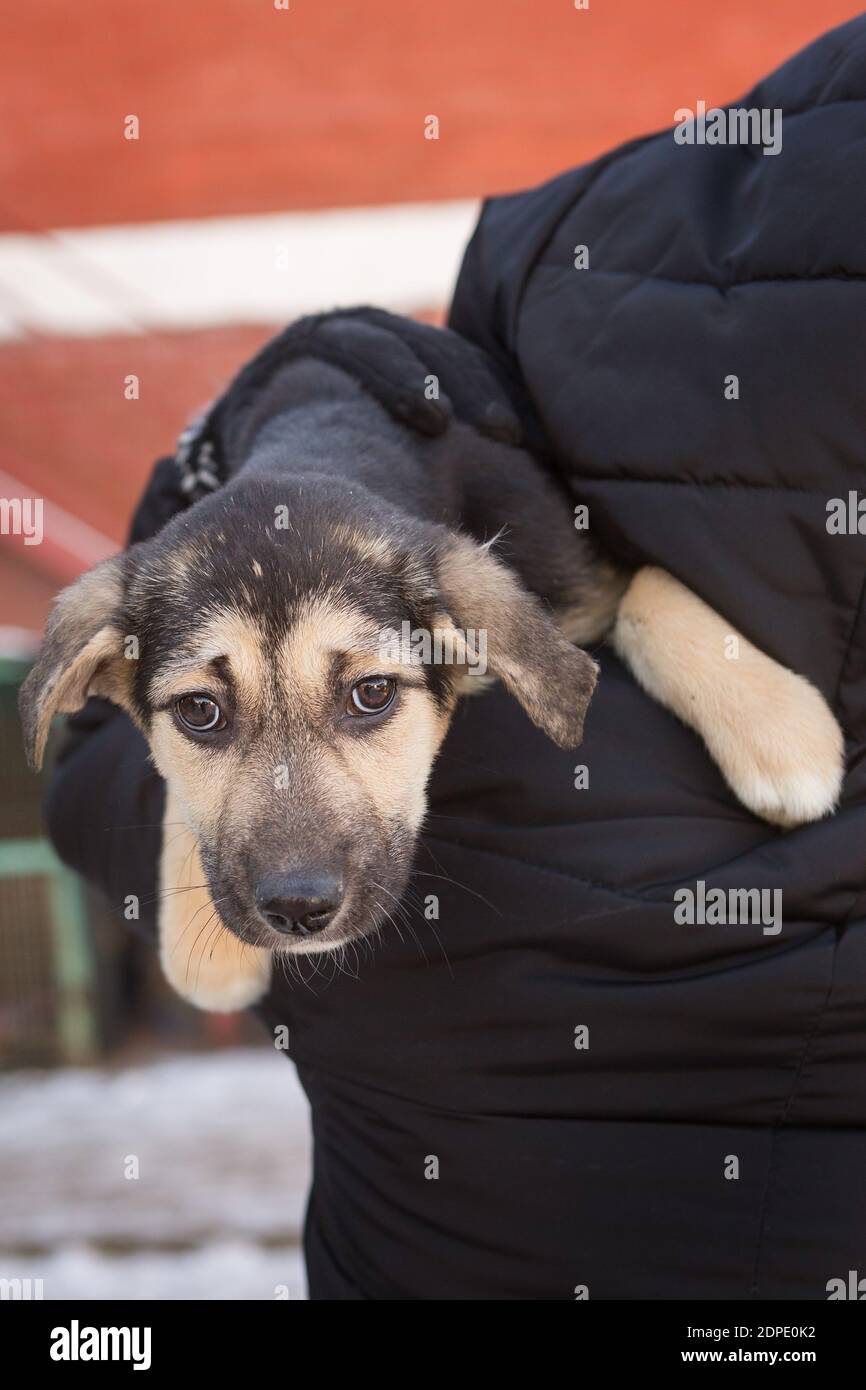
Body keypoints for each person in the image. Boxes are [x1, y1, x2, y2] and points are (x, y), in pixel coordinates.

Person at [44, 15, 866, 1299]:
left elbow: (608, 599)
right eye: (208, 715)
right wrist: (181, 851)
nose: (294, 856)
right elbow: (105, 727)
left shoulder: (501, 558)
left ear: (468, 650)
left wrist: (713, 667)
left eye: (365, 695)